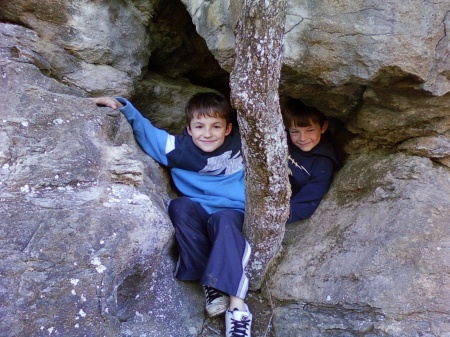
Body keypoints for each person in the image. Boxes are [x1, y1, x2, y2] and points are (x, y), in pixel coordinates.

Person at [90, 93, 252, 337]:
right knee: (179, 206)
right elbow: (146, 130)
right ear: (189, 128)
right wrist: (123, 106)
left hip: (231, 212)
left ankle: (238, 310)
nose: (207, 133)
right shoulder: (177, 149)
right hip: (198, 211)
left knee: (224, 220)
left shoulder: (243, 145)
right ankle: (211, 285)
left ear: (228, 128)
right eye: (199, 126)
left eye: (216, 126)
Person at [282, 98, 341, 224]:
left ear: (323, 127)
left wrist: (287, 213)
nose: (303, 138)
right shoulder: (281, 141)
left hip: (291, 204)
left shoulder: (324, 161)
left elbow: (313, 193)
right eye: (295, 132)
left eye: (310, 130)